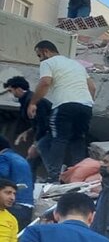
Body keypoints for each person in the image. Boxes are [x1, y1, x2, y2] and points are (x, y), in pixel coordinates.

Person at [30, 40, 95, 182]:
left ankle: (53, 177)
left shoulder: (48, 63)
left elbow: (45, 82)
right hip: (85, 106)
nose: (39, 58)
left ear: (46, 51)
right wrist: (87, 102)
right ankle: (80, 177)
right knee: (78, 139)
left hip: (65, 105)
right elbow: (92, 88)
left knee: (59, 139)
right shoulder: (76, 64)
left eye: (39, 55)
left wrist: (33, 102)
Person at [2, 79, 51, 190]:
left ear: (18, 89)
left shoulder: (33, 101)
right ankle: (29, 188)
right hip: (46, 134)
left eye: (11, 90)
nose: (11, 94)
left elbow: (43, 124)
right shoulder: (27, 100)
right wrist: (26, 132)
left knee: (45, 160)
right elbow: (36, 123)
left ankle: (54, 179)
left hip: (50, 134)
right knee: (31, 162)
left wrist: (35, 144)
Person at [0, 136, 35, 229]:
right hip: (27, 206)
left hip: (14, 205)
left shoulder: (3, 157)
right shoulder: (20, 158)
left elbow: (2, 174)